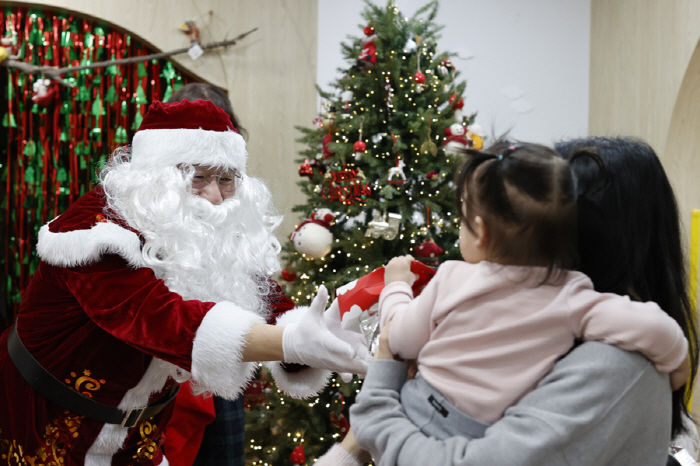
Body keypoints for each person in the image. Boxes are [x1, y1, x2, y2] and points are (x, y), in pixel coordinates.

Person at [0, 99, 370, 466]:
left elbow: (270, 305)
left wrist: (314, 333)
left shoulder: (213, 233)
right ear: (156, 176)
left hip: (137, 440)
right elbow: (159, 320)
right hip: (40, 423)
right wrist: (290, 343)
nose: (214, 196)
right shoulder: (95, 231)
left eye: (226, 180)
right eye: (198, 177)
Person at [317, 136, 698, 466]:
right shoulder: (576, 307)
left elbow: (395, 341)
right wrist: (678, 357)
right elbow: (658, 330)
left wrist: (379, 401)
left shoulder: (611, 362)